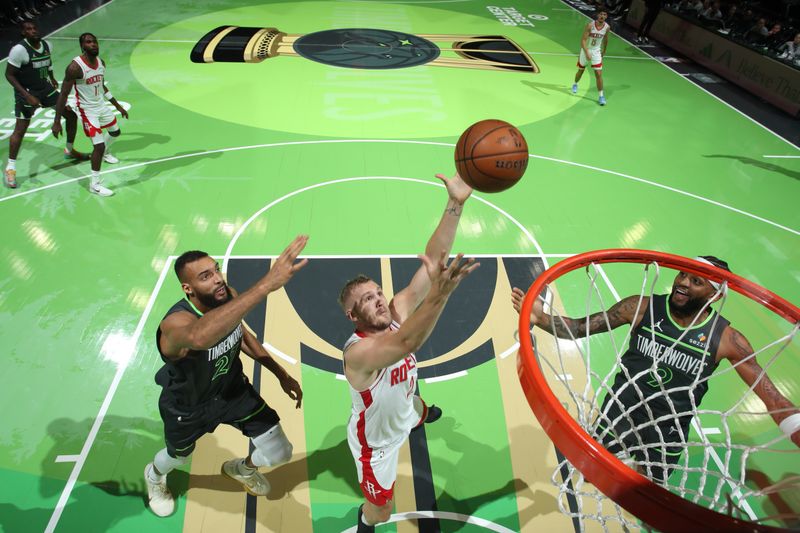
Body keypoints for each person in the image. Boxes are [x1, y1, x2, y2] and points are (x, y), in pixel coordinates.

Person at [512, 255, 800, 483]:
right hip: (619, 414)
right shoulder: (639, 307)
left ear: (714, 296)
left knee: (648, 493)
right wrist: (541, 317)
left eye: (697, 281)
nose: (683, 283)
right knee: (595, 476)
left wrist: (796, 429)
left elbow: (772, 397)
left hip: (667, 430)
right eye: (683, 275)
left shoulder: (727, 339)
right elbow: (578, 327)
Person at [339, 172, 479, 532]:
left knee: (412, 404)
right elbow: (406, 345)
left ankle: (421, 412)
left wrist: (455, 205)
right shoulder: (359, 353)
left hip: (403, 405)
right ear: (353, 315)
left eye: (378, 292)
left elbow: (432, 261)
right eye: (367, 300)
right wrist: (441, 294)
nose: (379, 300)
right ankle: (364, 525)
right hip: (378, 444)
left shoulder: (397, 310)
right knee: (381, 511)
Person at [143, 236, 309, 517]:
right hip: (188, 405)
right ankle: (154, 476)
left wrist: (280, 374)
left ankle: (242, 469)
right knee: (178, 457)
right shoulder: (175, 325)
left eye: (216, 269)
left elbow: (241, 334)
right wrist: (267, 283)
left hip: (232, 393)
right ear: (188, 288)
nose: (218, 279)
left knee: (280, 451)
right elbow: (200, 336)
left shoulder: (227, 297)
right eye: (206, 276)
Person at [4, 21, 88, 189]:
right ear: (23, 33)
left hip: (45, 89)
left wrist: (51, 77)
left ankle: (69, 150)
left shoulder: (47, 44)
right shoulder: (19, 50)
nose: (33, 31)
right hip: (26, 93)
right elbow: (9, 75)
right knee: (20, 130)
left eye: (35, 28)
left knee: (71, 115)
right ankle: (10, 168)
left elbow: (47, 63)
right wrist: (27, 96)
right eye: (28, 29)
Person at [51, 33, 128, 197]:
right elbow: (63, 94)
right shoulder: (75, 67)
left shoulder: (101, 63)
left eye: (95, 41)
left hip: (101, 105)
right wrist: (57, 120)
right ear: (82, 46)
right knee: (98, 146)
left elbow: (102, 87)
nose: (93, 44)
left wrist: (117, 106)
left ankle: (105, 154)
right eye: (89, 42)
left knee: (115, 132)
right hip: (87, 111)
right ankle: (95, 184)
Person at [572, 9, 610, 106]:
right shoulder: (590, 25)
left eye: (604, 14)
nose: (602, 16)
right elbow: (583, 41)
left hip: (596, 52)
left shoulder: (607, 27)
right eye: (601, 14)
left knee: (598, 74)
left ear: (606, 16)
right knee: (581, 70)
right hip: (586, 50)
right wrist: (587, 52)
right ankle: (575, 84)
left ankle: (601, 96)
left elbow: (605, 40)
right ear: (598, 15)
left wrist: (604, 51)